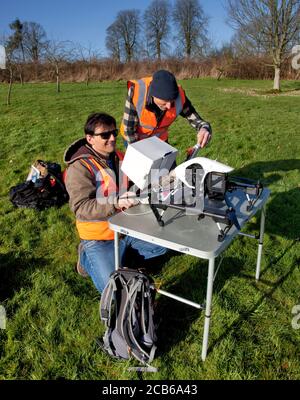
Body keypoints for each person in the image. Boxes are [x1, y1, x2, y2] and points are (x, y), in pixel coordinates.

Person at [64, 112, 167, 294]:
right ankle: (86, 258)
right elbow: (81, 208)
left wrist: (163, 177)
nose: (112, 138)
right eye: (105, 135)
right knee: (113, 290)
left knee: (162, 246)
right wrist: (116, 203)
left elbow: (138, 184)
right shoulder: (79, 168)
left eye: (114, 133)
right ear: (90, 138)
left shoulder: (120, 156)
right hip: (99, 238)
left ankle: (121, 259)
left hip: (126, 229)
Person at [120, 69, 212, 148]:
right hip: (134, 139)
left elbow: (195, 118)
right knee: (142, 167)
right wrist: (141, 154)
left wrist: (204, 128)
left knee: (169, 167)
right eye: (165, 101)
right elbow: (129, 130)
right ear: (153, 95)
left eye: (171, 101)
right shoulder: (136, 91)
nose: (169, 106)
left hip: (160, 140)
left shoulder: (178, 97)